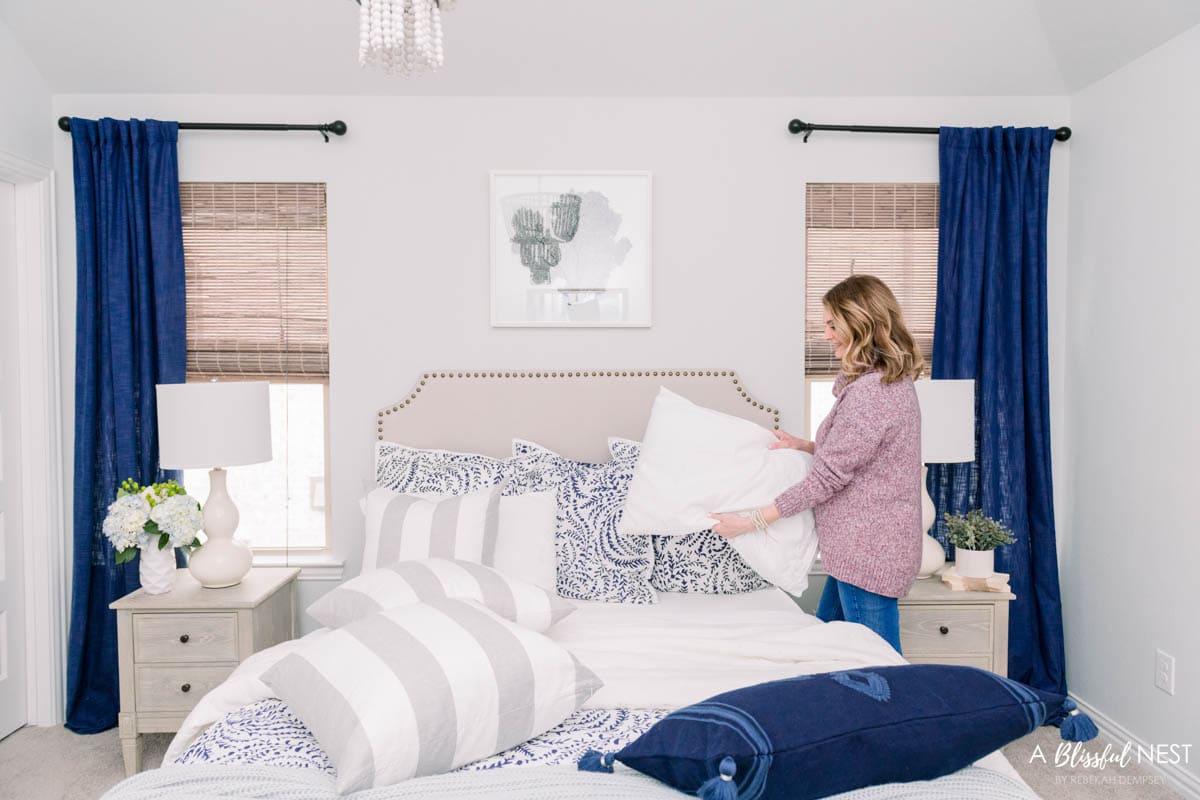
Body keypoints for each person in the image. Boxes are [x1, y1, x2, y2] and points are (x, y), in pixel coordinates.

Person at [709, 274, 923, 653]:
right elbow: (862, 456)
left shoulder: (871, 396)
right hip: (861, 551)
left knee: (877, 664)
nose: (825, 335)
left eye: (831, 325)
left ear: (860, 326)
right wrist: (807, 445)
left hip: (867, 553)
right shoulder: (882, 385)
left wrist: (751, 522)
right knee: (826, 650)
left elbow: (826, 480)